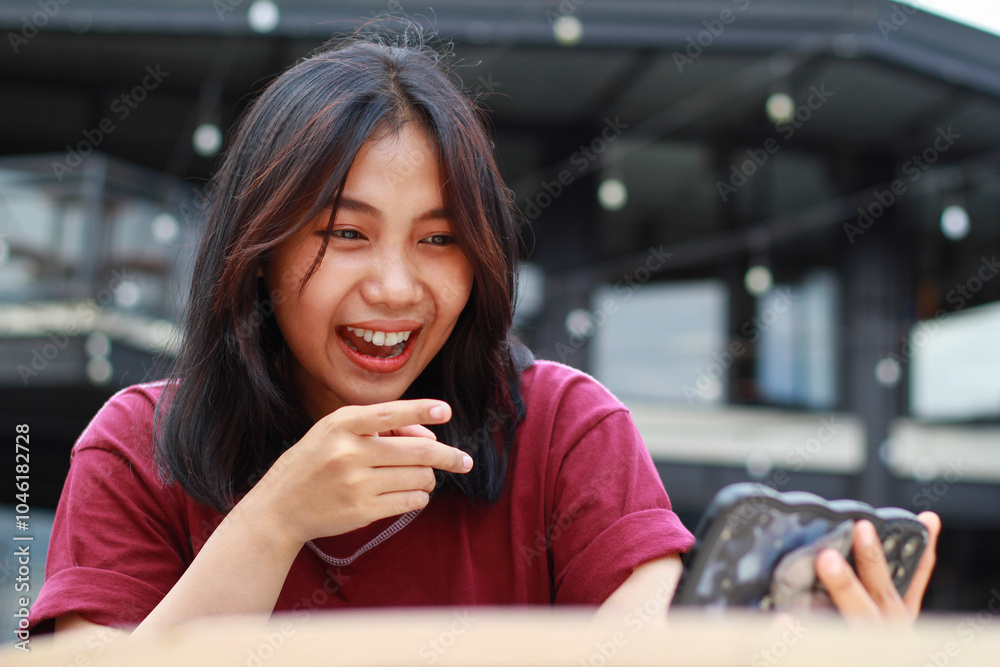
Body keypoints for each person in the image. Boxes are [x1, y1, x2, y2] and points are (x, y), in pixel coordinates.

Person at [28, 26, 939, 638]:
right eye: (345, 233)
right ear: (258, 248)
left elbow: (648, 643)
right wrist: (276, 519)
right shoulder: (135, 449)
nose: (396, 286)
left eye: (441, 239)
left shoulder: (562, 427)